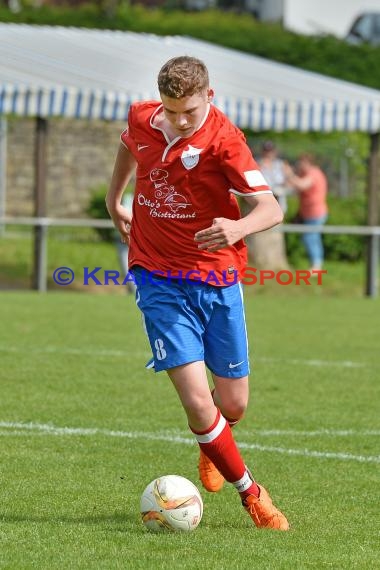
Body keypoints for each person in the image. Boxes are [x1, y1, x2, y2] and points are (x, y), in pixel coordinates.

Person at [106, 56, 289, 531]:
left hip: (216, 277)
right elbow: (130, 147)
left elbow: (271, 208)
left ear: (209, 96)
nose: (180, 121)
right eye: (171, 111)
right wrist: (115, 199)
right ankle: (253, 495)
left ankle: (212, 439)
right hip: (157, 275)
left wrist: (238, 227)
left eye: (189, 111)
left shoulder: (225, 142)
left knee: (232, 406)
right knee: (197, 403)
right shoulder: (144, 116)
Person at [285, 154, 328, 271]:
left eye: (301, 163)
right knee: (312, 238)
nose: (299, 165)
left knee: (311, 238)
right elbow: (294, 186)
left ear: (307, 162)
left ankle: (316, 266)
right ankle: (315, 264)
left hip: (315, 213)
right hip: (307, 213)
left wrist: (289, 174)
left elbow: (302, 185)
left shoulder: (314, 173)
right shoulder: (305, 174)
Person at [258, 140, 290, 214]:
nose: (268, 154)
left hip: (279, 199)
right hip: (263, 200)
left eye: (270, 151)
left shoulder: (281, 164)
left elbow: (289, 180)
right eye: (266, 151)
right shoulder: (257, 164)